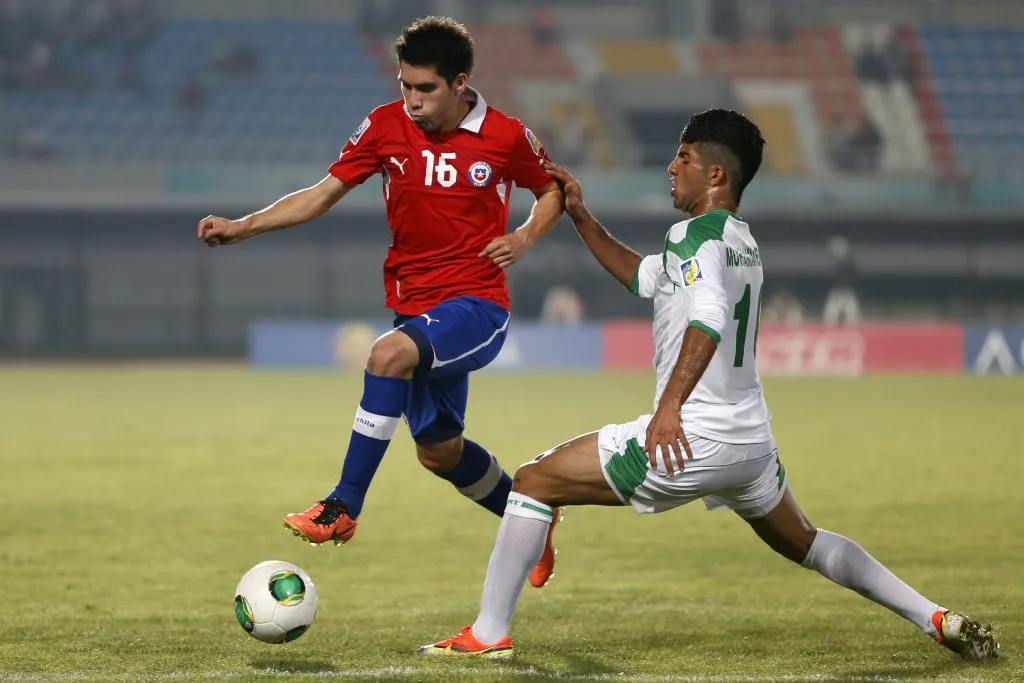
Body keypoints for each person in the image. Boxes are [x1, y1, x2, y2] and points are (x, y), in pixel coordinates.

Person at [417, 109, 999, 661]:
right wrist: (579, 214)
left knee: (535, 481)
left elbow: (709, 317)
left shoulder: (691, 237)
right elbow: (643, 278)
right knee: (805, 541)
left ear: (715, 173)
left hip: (693, 436)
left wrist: (669, 407)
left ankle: (489, 633)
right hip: (750, 443)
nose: (672, 167)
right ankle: (936, 618)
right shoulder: (737, 241)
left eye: (684, 156)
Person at [197, 16, 565, 588]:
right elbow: (321, 195)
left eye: (426, 89)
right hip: (414, 306)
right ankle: (532, 521)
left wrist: (523, 237)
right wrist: (244, 226)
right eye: (405, 87)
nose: (412, 101)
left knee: (387, 356)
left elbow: (552, 190)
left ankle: (343, 506)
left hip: (477, 304)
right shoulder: (384, 126)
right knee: (440, 454)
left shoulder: (506, 135)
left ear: (461, 82)